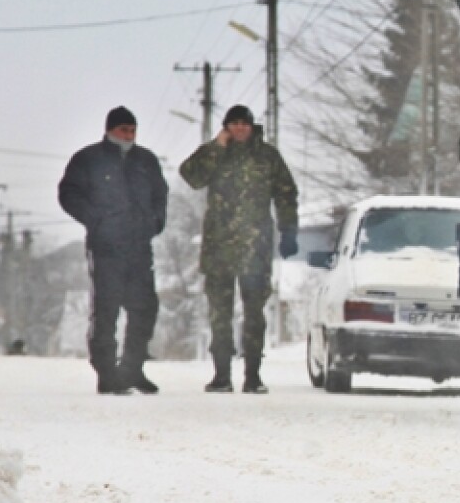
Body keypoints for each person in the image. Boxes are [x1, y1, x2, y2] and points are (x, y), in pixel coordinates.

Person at [179, 105, 299, 394]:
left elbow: (286, 193)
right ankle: (221, 375)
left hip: (254, 248)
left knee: (254, 313)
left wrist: (289, 231)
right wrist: (217, 145)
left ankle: (253, 375)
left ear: (252, 126)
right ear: (226, 127)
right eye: (234, 123)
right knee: (220, 314)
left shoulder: (267, 156)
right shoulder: (216, 155)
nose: (240, 128)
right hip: (219, 247)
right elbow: (191, 176)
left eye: (244, 123)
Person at [58, 106, 169, 394]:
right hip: (106, 246)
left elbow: (160, 194)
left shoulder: (146, 160)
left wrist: (155, 222)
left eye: (132, 129)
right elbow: (68, 193)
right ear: (109, 130)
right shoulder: (89, 159)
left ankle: (132, 370)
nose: (129, 135)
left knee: (145, 308)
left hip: (139, 246)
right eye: (123, 129)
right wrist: (95, 220)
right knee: (106, 310)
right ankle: (107, 373)